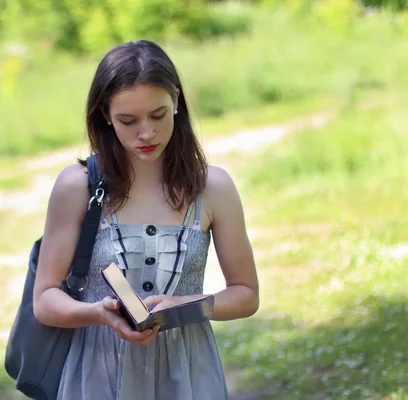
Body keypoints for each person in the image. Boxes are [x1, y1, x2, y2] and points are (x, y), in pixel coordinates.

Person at [32, 40, 259, 400]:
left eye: (158, 115)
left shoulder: (213, 187)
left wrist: (189, 306)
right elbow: (44, 300)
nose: (147, 133)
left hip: (189, 375)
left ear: (177, 102)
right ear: (105, 114)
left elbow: (246, 295)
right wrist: (98, 313)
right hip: (98, 375)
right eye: (128, 120)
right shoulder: (76, 187)